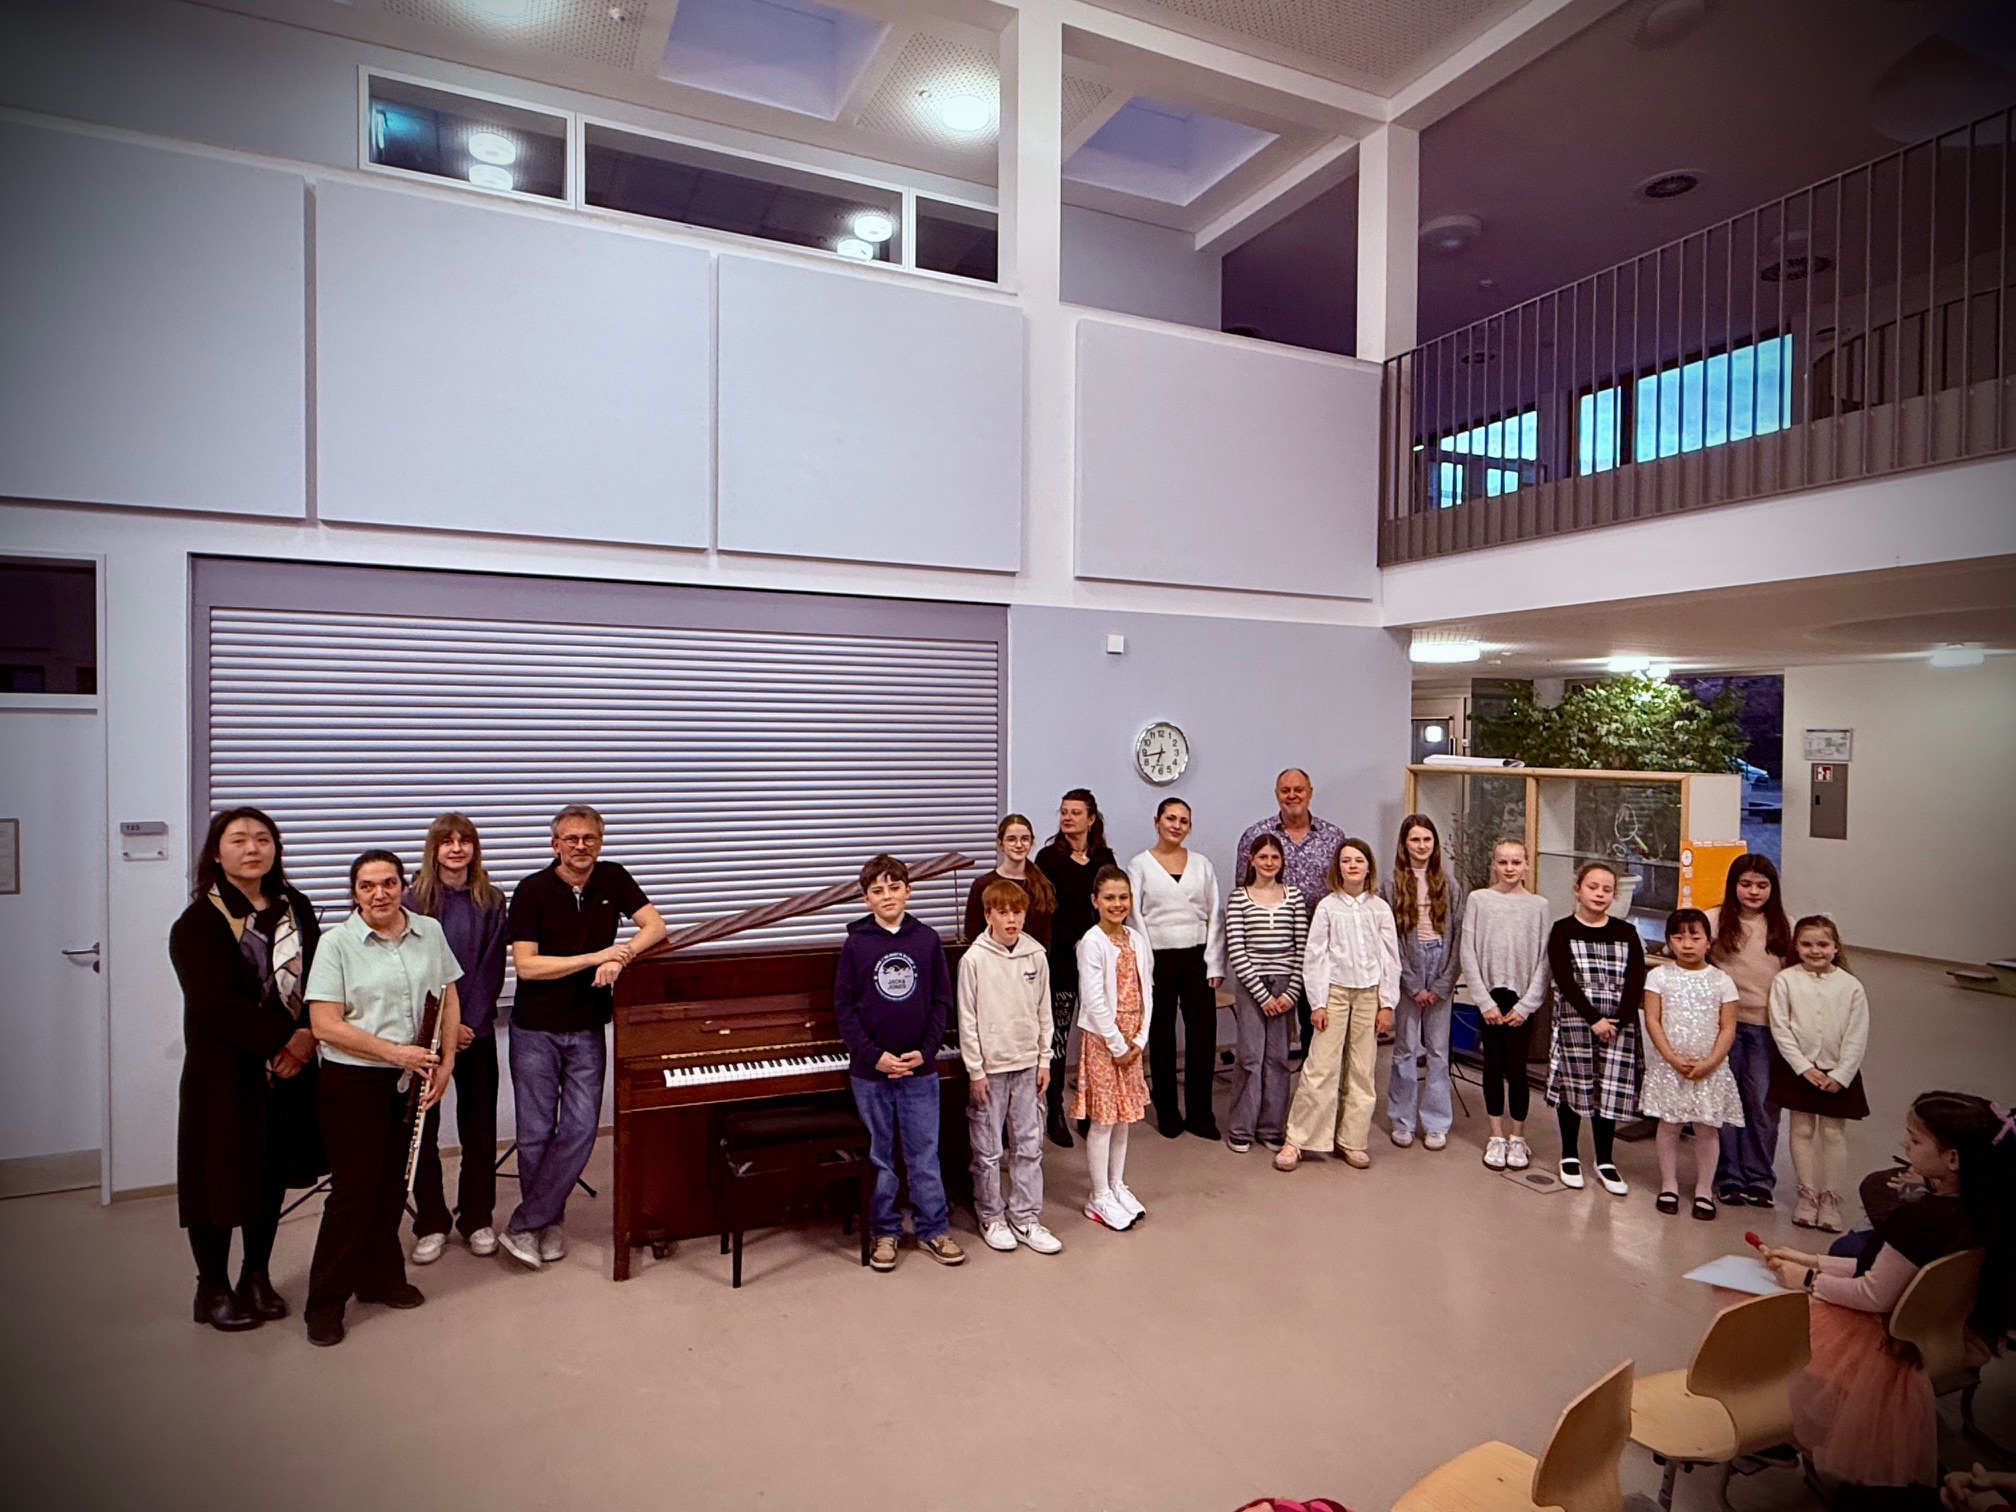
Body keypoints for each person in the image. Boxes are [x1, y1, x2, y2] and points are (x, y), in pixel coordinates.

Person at [1763, 1091, 2015, 1494]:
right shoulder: (1985, 1211)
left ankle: (1778, 1434)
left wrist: (1807, 1280)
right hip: (1946, 1331)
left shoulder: (1920, 1219)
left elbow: (1873, 1293)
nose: (1904, 1144)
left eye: (1914, 1140)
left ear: (1952, 1158)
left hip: (1890, 1337)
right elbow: (1888, 1274)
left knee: (1775, 1324)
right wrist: (1809, 1259)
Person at [169, 807, 325, 1332]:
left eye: (263, 838)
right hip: (224, 1073)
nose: (253, 848)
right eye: (238, 840)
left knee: (270, 1173)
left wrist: (307, 1036)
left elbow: (321, 976)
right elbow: (216, 1004)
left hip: (288, 1069)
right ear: (216, 853)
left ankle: (255, 1275)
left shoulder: (295, 907)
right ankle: (211, 1287)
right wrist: (285, 1040)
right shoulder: (198, 923)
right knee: (216, 1178)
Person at [302, 850, 462, 1347]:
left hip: (413, 1078)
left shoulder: (429, 931)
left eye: (389, 883)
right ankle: (325, 1303)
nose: (379, 894)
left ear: (402, 885)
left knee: (395, 1185)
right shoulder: (336, 943)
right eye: (367, 886)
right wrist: (395, 1053)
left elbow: (448, 999)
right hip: (354, 1082)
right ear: (354, 892)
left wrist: (446, 1064)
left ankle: (379, 1278)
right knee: (353, 1193)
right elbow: (324, 1024)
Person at [501, 804, 666, 1271]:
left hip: (588, 1026)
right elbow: (528, 967)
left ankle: (527, 1223)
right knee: (535, 1134)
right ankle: (548, 1223)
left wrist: (622, 955)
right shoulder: (532, 890)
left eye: (589, 838)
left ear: (600, 842)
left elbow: (655, 926)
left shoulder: (613, 878)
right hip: (535, 1030)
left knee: (579, 1129)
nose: (580, 846)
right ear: (555, 844)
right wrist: (596, 957)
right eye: (571, 838)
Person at [835, 853, 965, 1272]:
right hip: (871, 1073)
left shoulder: (926, 940)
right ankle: (884, 1230)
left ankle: (933, 1228)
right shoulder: (856, 944)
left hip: (919, 1070)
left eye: (894, 887)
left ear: (908, 891)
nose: (887, 895)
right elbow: (844, 1008)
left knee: (924, 1154)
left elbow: (941, 1001)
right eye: (878, 890)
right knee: (879, 1156)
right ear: (865, 898)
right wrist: (874, 1056)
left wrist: (926, 1051)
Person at [404, 813, 509, 1264]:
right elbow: (411, 970)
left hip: (475, 1032)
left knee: (479, 1130)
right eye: (446, 841)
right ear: (434, 849)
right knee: (423, 1131)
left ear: (474, 848)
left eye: (464, 840)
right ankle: (431, 1222)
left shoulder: (491, 900)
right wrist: (444, 1025)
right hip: (426, 1035)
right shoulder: (412, 900)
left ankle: (477, 1218)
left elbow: (491, 967)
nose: (456, 848)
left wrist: (466, 1022)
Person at [1274, 840, 1400, 1173]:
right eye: (1346, 861)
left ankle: (1352, 1139)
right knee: (1320, 1066)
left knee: (1362, 1069)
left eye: (1359, 860)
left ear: (1369, 867)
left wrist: (1387, 1003)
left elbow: (1391, 958)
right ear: (1338, 868)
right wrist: (1317, 1003)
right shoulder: (1328, 907)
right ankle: (1298, 1139)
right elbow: (1315, 956)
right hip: (1335, 994)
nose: (1353, 865)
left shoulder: (1379, 908)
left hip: (1369, 995)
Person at [958, 879, 1062, 1256]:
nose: (1011, 919)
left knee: (1028, 1146)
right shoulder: (974, 960)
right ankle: (992, 1216)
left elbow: (1045, 1013)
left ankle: (1026, 1216)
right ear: (989, 915)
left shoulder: (1036, 955)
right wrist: (976, 1070)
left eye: (1017, 912)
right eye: (1002, 912)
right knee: (988, 1150)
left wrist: (1044, 1059)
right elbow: (967, 1019)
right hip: (991, 1069)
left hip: (1028, 1065)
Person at [1128, 797, 1227, 1141]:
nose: (1176, 825)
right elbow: (1134, 916)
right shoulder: (1139, 865)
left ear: (1190, 827)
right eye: (1170, 818)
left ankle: (1200, 1114)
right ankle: (1167, 1112)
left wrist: (1214, 962)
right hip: (1158, 956)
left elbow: (1215, 914)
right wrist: (1145, 964)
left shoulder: (1202, 864)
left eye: (1184, 821)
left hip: (1196, 955)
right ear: (1157, 821)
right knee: (1161, 1035)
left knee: (1203, 1034)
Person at [1545, 861, 1645, 1196]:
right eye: (1592, 887)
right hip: (1577, 1019)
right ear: (1577, 889)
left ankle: (1605, 1160)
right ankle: (1569, 1154)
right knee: (1574, 1085)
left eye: (1607, 889)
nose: (1600, 894)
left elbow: (1635, 978)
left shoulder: (1626, 932)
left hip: (1617, 1024)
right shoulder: (1562, 930)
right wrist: (1593, 1019)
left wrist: (1620, 1019)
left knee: (1609, 1088)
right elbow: (1564, 978)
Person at [1768, 915, 1871, 1232]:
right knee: (1800, 1130)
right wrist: (1803, 1067)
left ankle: (1831, 1201)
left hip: (1838, 1072)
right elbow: (1780, 1028)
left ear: (1836, 947)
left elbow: (1857, 1034)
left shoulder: (1851, 986)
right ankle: (1807, 1196)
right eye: (1807, 944)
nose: (1815, 951)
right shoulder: (1785, 981)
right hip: (1800, 1070)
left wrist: (1841, 1074)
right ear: (1796, 947)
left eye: (1823, 944)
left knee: (1832, 1134)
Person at [1235, 769, 1347, 1058]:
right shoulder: (1256, 835)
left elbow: (1344, 889)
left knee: (1318, 1023)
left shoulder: (1333, 837)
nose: (1292, 795)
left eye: (1299, 789)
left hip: (1322, 947)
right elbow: (1243, 889)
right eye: (1285, 790)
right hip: (1273, 952)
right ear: (1277, 794)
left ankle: (1313, 1083)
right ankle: (1273, 1086)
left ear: (1310, 792)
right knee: (1273, 1035)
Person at [1639, 908, 1743, 1220]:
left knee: (1707, 1129)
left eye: (1695, 937)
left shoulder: (1722, 980)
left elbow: (1728, 1027)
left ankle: (1704, 1189)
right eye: (1678, 937)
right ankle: (1668, 1184)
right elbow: (1653, 1020)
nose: (1686, 944)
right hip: (1670, 1066)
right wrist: (1671, 1057)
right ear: (1669, 941)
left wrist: (1711, 1062)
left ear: (1708, 941)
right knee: (1669, 1125)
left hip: (1709, 1068)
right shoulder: (1658, 976)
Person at [1707, 853, 1797, 1208]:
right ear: (1733, 886)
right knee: (1725, 1100)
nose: (1753, 892)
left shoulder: (1786, 926)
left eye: (1762, 885)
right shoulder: (1713, 919)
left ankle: (1759, 1177)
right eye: (1745, 884)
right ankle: (1728, 1174)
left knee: (1762, 1103)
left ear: (1773, 888)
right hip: (1723, 1025)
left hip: (1766, 1027)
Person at [1459, 837, 1549, 1172]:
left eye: (1516, 862)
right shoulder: (1479, 900)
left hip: (1522, 1000)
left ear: (1526, 865)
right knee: (1493, 1067)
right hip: (1490, 998)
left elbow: (1544, 958)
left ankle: (1518, 1136)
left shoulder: (1539, 906)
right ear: (1494, 864)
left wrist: (1528, 1004)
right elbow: (1467, 950)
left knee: (1518, 1069)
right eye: (1503, 862)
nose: (1510, 868)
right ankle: (1496, 1135)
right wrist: (1483, 1000)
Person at [1034, 789, 1117, 1149]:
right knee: (1059, 1036)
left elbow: (1111, 903)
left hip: (1098, 959)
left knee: (1096, 1035)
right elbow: (1045, 910)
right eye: (1064, 812)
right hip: (1063, 959)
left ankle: (1089, 1109)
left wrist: (1098, 941)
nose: (1067, 818)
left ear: (1091, 818)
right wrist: (1076, 941)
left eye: (1075, 813)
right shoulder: (1048, 858)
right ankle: (1054, 1109)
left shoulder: (1104, 858)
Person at [1380, 814, 1466, 1151]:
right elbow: (1390, 939)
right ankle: (1402, 1120)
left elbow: (1458, 938)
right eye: (1415, 840)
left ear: (1435, 844)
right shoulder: (1390, 884)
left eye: (1427, 839)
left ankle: (1436, 1122)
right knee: (1404, 1049)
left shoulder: (1450, 883)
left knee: (1439, 1052)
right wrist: (1412, 983)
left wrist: (1443, 983)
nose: (1421, 846)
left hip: (1440, 963)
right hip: (1408, 968)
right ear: (1404, 844)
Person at [1075, 865, 1154, 1230]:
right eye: (1109, 897)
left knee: (1125, 1117)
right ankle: (1100, 1193)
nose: (1117, 903)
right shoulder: (1092, 942)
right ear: (1095, 901)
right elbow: (1094, 999)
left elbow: (1147, 989)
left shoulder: (1137, 939)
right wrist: (1117, 1043)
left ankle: (1117, 1183)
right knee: (1104, 1119)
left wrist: (1139, 1039)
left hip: (1132, 1040)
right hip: (1104, 1041)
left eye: (1123, 897)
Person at [1223, 833, 1306, 1154]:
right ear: (1252, 860)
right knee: (1250, 1058)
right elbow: (1237, 949)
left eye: (1275, 857)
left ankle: (1271, 1127)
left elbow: (1302, 947)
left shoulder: (1294, 896)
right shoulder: (1239, 898)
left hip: (1285, 986)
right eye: (1263, 857)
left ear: (1282, 862)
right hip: (1251, 987)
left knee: (1277, 1059)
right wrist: (1262, 995)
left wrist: (1290, 992)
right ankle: (1241, 1128)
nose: (1269, 863)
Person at [962, 813, 1056, 949]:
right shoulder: (982, 885)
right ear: (1000, 844)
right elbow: (973, 935)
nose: (1019, 845)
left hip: (1031, 959)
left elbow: (1045, 939)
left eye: (1025, 839)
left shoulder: (1043, 885)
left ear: (1031, 843)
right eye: (1011, 839)